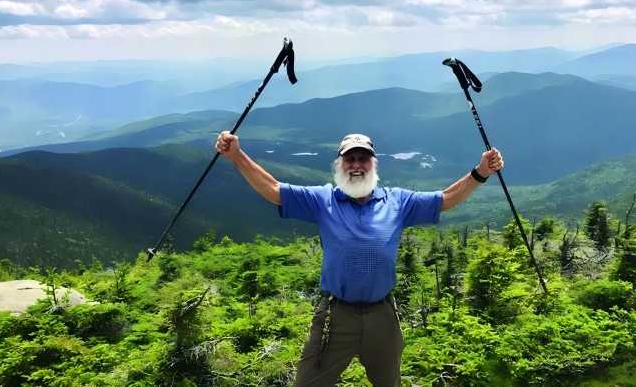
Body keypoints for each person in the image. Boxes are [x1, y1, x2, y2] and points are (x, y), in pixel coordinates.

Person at [215, 131, 503, 387]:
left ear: (373, 165)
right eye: (349, 159)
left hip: (382, 316)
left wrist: (480, 172)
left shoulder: (398, 201)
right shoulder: (323, 200)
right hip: (335, 316)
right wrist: (237, 156)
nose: (356, 165)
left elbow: (446, 199)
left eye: (362, 159)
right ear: (339, 165)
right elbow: (274, 190)